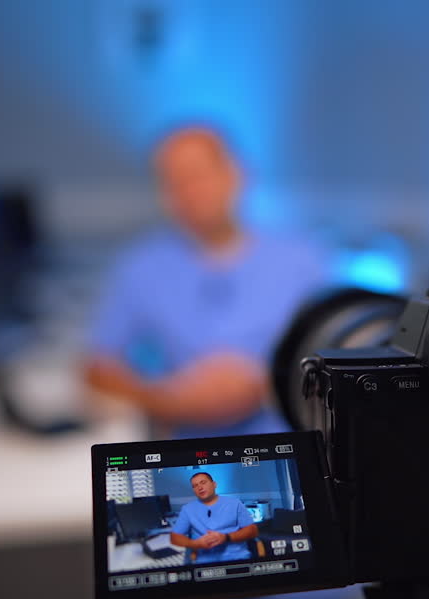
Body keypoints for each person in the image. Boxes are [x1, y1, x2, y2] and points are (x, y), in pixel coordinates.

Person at [83, 124, 328, 438]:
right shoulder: (141, 266)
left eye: (200, 175)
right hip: (187, 449)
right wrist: (166, 399)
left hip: (283, 443)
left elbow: (337, 357)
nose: (190, 192)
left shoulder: (303, 260)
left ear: (237, 174)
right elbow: (97, 369)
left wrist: (264, 385)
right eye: (174, 182)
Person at [169, 471, 259, 563]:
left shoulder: (234, 503)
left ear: (214, 484)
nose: (199, 487)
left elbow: (253, 530)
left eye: (203, 483)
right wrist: (195, 543)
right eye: (195, 486)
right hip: (205, 561)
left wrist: (226, 537)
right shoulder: (188, 509)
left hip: (237, 557)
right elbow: (175, 537)